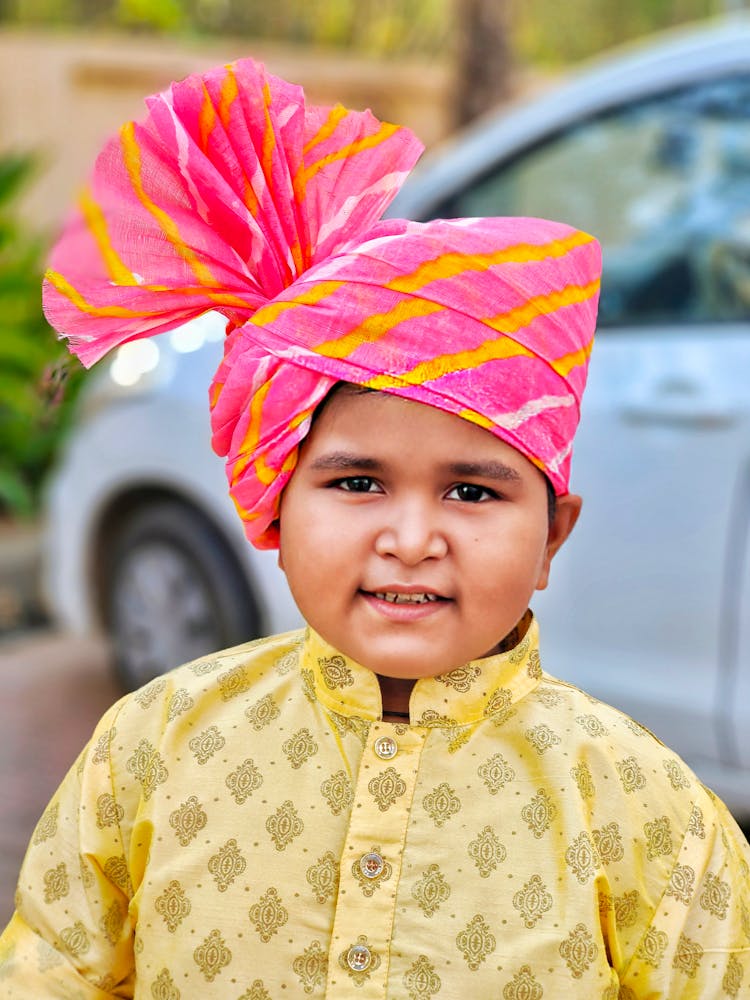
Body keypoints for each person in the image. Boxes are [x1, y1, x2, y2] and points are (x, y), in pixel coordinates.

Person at [0, 58, 748, 1000]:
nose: (411, 537)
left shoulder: (648, 812)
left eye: (472, 494)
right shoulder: (151, 748)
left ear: (553, 537)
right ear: (273, 502)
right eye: (357, 481)